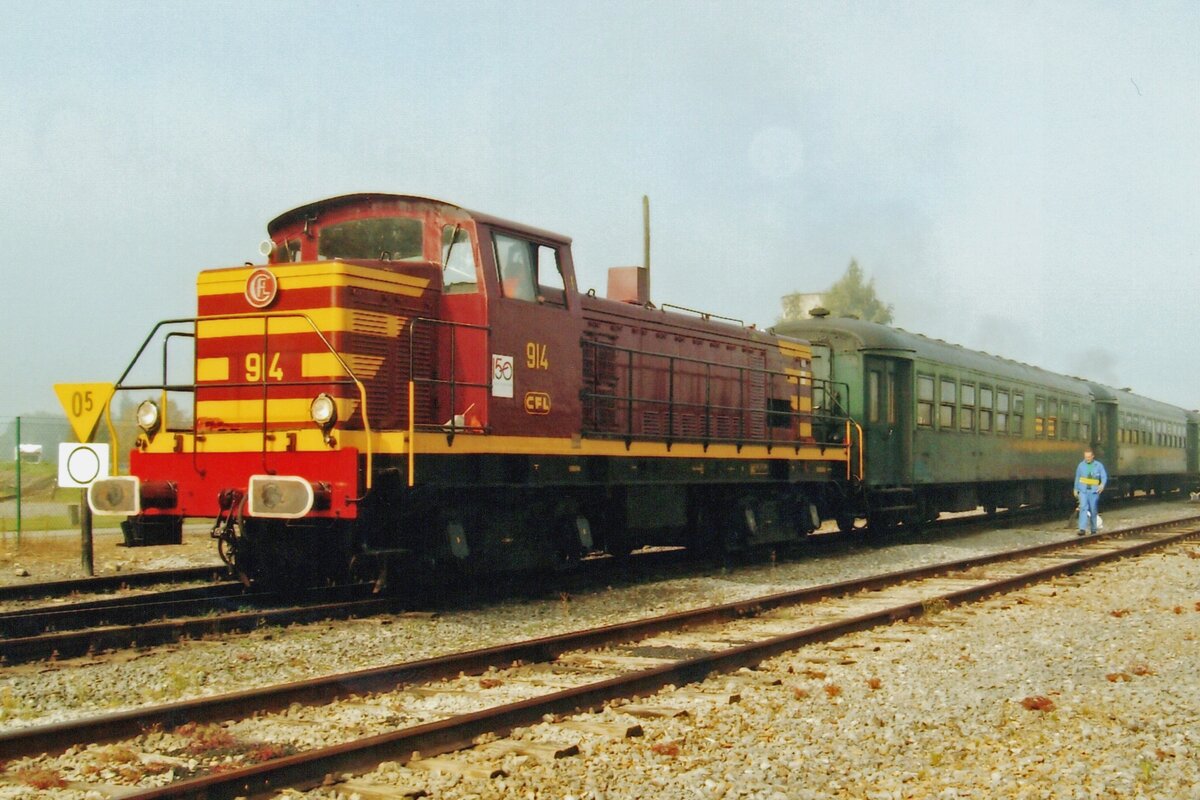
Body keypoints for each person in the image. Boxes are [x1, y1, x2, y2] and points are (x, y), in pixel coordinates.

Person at [1074, 447, 1108, 536]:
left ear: (1093, 456)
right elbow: (1077, 477)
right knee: (1083, 508)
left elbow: (1104, 476)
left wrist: (1102, 485)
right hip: (1083, 491)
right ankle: (1082, 529)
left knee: (1093, 510)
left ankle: (1093, 529)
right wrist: (1075, 489)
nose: (1087, 459)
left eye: (1089, 457)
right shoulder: (1081, 465)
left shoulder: (1098, 465)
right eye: (1086, 457)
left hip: (1094, 492)